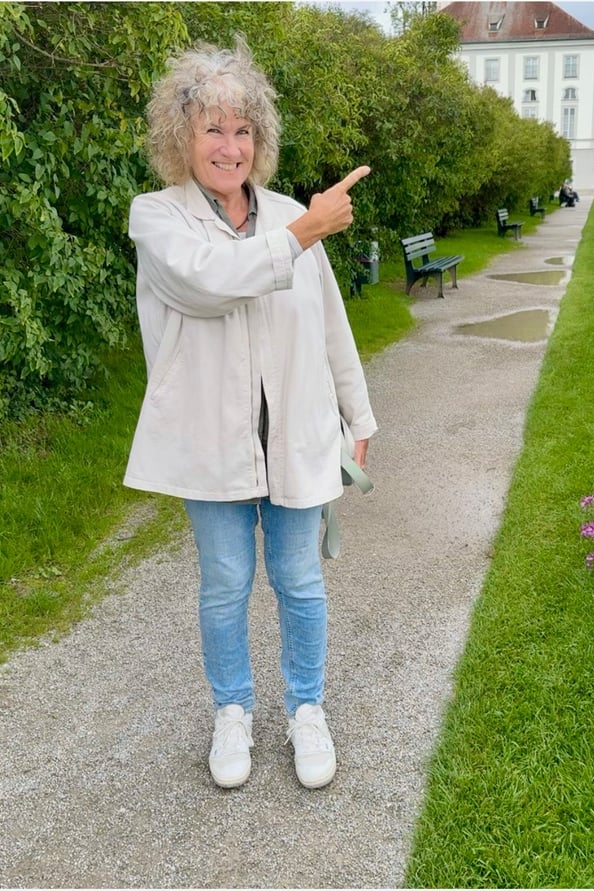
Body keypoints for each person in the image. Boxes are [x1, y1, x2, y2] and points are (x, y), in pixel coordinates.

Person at [123, 38, 377, 791]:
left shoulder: (294, 216)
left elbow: (332, 323)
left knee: (300, 579)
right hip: (213, 446)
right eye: (212, 128)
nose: (229, 146)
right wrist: (304, 233)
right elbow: (209, 281)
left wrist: (358, 416)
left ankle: (306, 709)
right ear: (182, 138)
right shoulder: (158, 219)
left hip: (296, 437)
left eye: (242, 130)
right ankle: (232, 710)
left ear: (258, 141)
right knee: (225, 582)